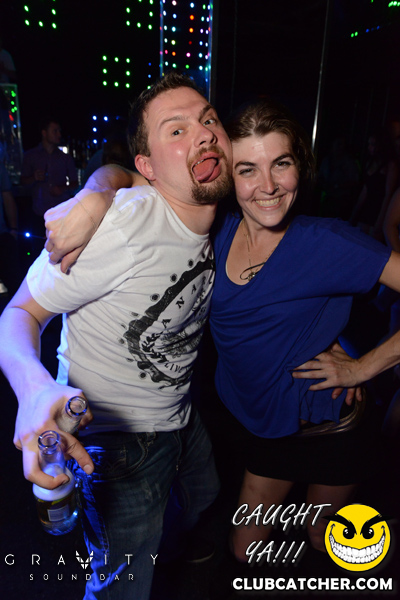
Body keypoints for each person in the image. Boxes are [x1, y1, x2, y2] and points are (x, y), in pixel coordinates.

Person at [45, 100, 400, 563]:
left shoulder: (329, 242)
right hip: (261, 428)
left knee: (322, 538)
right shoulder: (217, 229)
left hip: (329, 425)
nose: (267, 186)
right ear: (228, 173)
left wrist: (364, 366)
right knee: (246, 549)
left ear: (300, 167)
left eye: (282, 164)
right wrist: (94, 195)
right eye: (248, 169)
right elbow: (129, 175)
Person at [0, 73, 233, 599]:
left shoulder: (217, 214)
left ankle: (167, 545)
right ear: (148, 169)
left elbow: (118, 173)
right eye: (176, 130)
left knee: (204, 496)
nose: (203, 133)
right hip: (118, 440)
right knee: (121, 588)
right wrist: (33, 387)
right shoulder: (125, 227)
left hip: (180, 411)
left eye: (209, 120)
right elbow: (18, 313)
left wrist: (102, 183)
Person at [21, 117, 78, 232]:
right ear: (44, 133)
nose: (59, 134)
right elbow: (22, 182)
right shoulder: (30, 156)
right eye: (55, 131)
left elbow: (75, 183)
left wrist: (62, 188)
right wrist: (34, 178)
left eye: (59, 131)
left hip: (61, 215)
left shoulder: (65, 158)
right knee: (38, 241)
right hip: (39, 215)